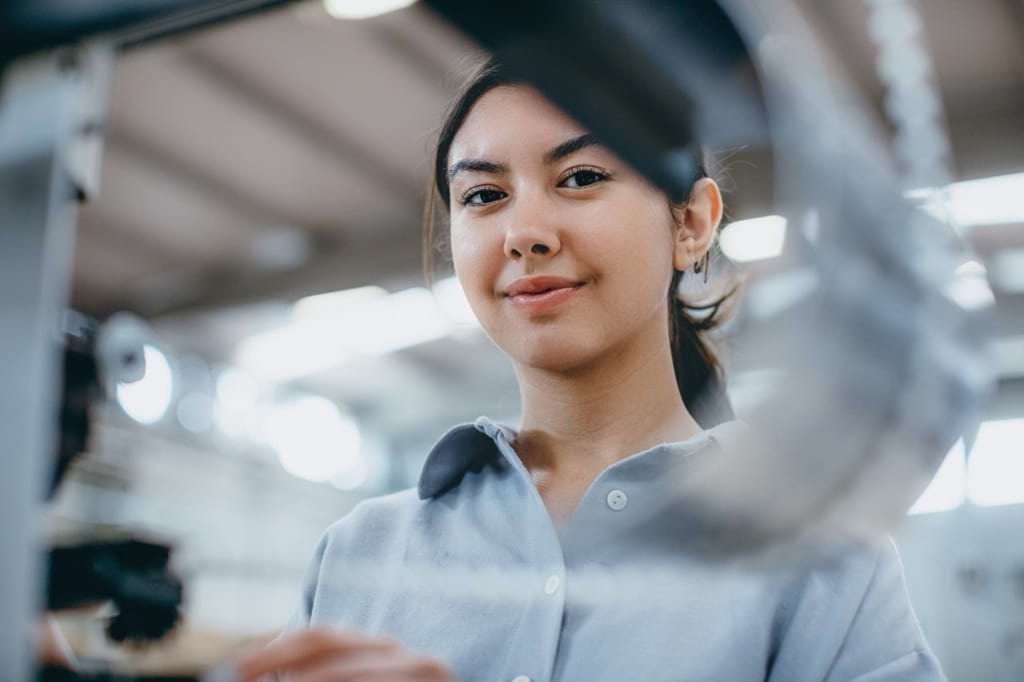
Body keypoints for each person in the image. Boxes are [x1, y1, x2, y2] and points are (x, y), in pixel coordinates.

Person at [236, 60, 945, 682]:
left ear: (691, 223)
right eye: (484, 196)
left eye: (580, 177)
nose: (524, 233)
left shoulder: (815, 549)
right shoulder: (361, 552)